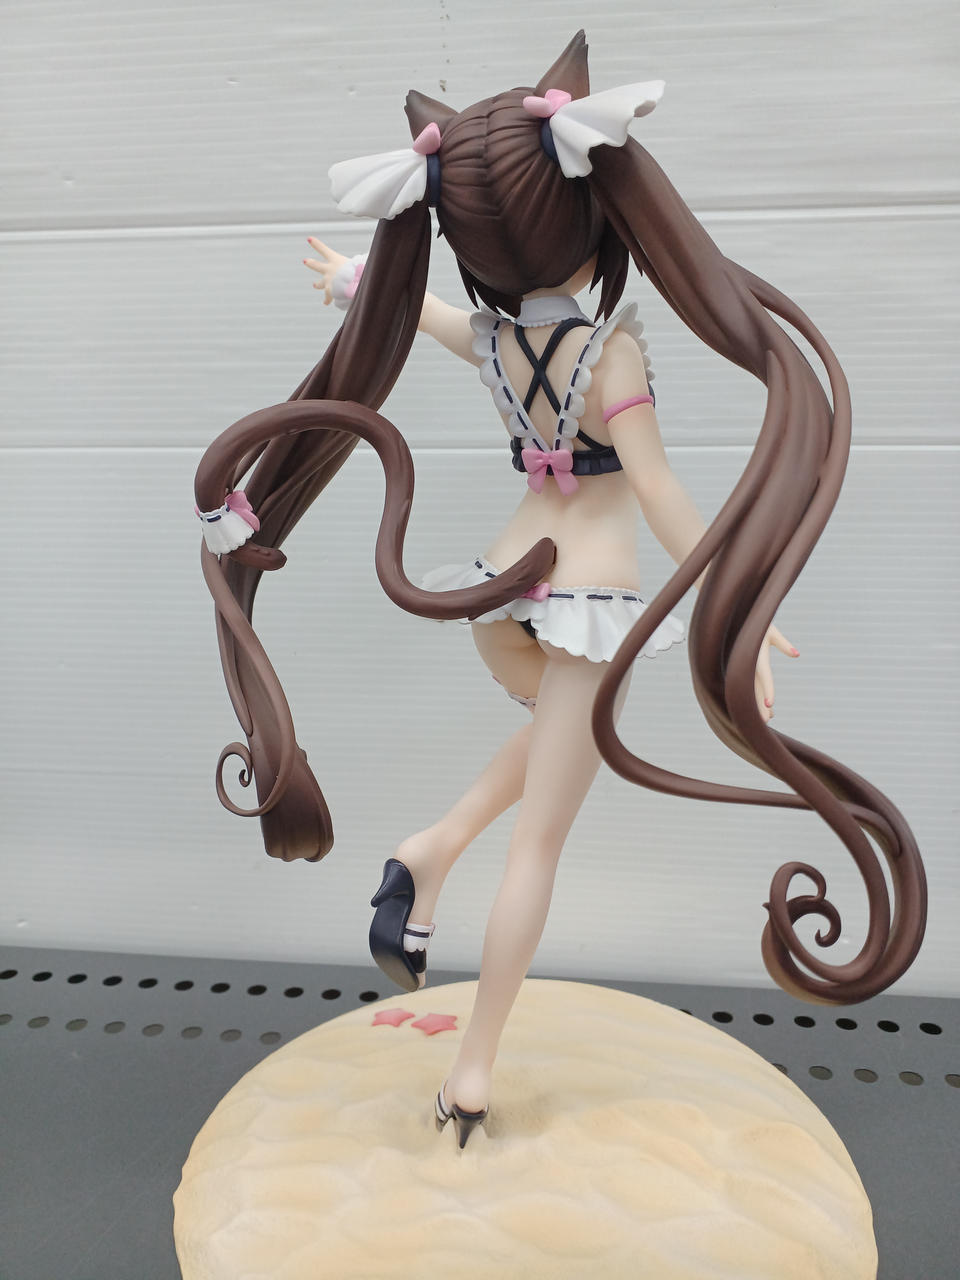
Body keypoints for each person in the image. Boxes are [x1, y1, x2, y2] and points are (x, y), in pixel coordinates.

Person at [195, 33, 926, 1148]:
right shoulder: (609, 356)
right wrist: (742, 601)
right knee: (541, 842)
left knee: (555, 742)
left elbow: (429, 317)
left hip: (499, 593)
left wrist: (353, 282)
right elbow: (660, 489)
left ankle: (428, 852)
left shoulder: (500, 338)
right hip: (583, 603)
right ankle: (472, 1070)